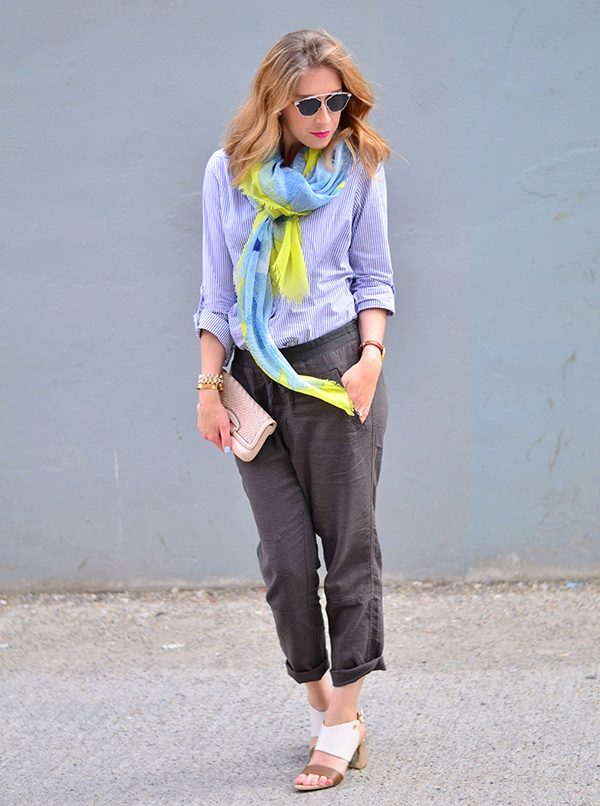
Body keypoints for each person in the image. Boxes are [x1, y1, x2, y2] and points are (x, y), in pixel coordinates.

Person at [194, 28, 395, 792]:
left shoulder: (357, 166)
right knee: (284, 561)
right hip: (253, 377)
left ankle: (341, 721)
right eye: (307, 104)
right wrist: (208, 387)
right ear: (274, 103)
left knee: (349, 550)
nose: (324, 117)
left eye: (336, 101)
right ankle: (323, 703)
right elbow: (216, 293)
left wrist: (369, 361)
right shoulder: (228, 172)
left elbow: (374, 278)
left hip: (336, 371)